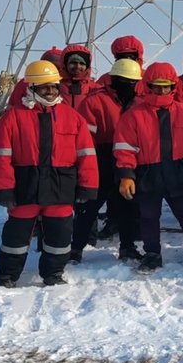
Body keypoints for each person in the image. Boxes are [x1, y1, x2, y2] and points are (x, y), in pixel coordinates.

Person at [0, 60, 99, 287]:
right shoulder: (14, 117)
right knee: (16, 237)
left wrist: (87, 186)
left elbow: (86, 155)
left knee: (60, 235)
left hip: (61, 185)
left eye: (54, 86)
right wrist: (5, 189)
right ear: (31, 88)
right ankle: (8, 275)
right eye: (44, 87)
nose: (50, 91)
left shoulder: (72, 117)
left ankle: (53, 274)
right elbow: (2, 156)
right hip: (25, 185)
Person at [113, 61, 183, 273]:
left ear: (173, 86)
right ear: (148, 86)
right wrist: (126, 175)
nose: (161, 90)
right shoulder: (134, 115)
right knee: (148, 217)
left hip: (178, 171)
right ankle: (152, 254)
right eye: (157, 85)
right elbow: (124, 148)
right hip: (147, 172)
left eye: (166, 86)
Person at [71, 58, 145, 263]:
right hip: (100, 160)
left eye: (132, 81)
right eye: (123, 80)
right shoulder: (94, 102)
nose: (128, 84)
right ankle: (76, 248)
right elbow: (86, 139)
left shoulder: (140, 103)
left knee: (128, 207)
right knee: (89, 208)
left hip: (129, 163)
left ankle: (127, 247)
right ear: (113, 79)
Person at [59, 43, 96, 110]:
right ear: (65, 64)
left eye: (82, 63)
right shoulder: (55, 87)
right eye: (73, 63)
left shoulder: (94, 89)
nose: (77, 67)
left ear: (87, 66)